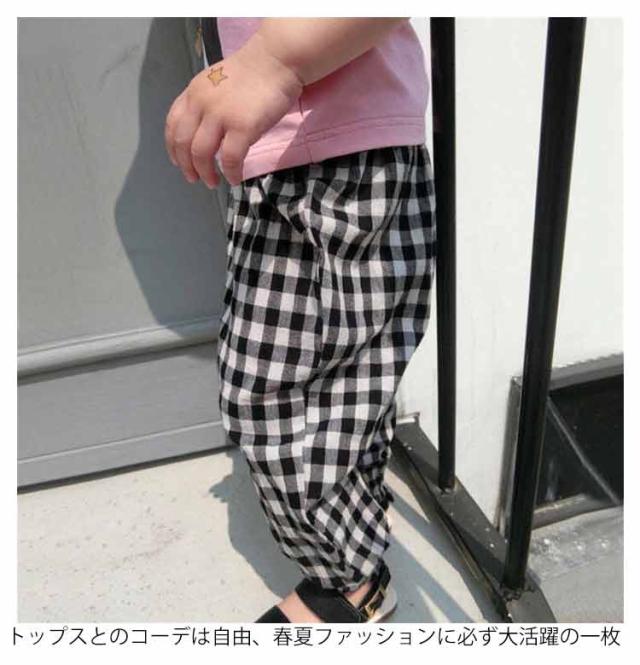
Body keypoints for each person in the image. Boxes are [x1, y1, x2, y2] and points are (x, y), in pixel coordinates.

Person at [164, 17, 436, 623]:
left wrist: (272, 63)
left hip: (334, 153)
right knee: (335, 388)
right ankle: (354, 546)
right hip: (297, 147)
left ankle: (351, 584)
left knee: (277, 397)